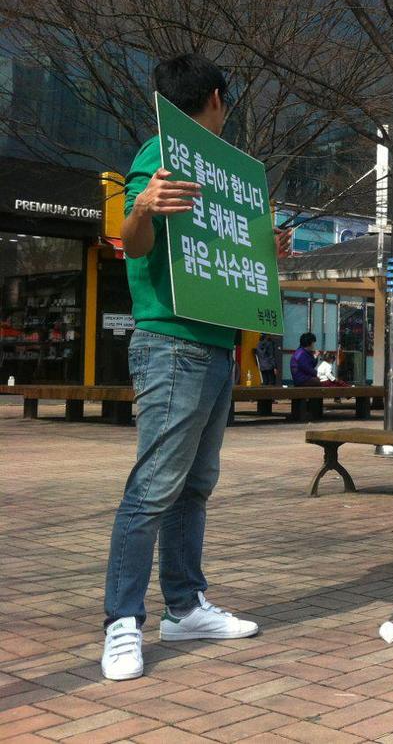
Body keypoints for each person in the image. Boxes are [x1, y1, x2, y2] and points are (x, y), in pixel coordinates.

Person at [102, 54, 288, 681]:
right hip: (170, 344)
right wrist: (144, 205)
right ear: (215, 97)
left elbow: (221, 256)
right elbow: (133, 241)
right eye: (226, 102)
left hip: (213, 346)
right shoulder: (158, 154)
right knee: (154, 486)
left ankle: (183, 606)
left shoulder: (216, 172)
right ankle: (123, 623)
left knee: (194, 485)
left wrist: (267, 250)